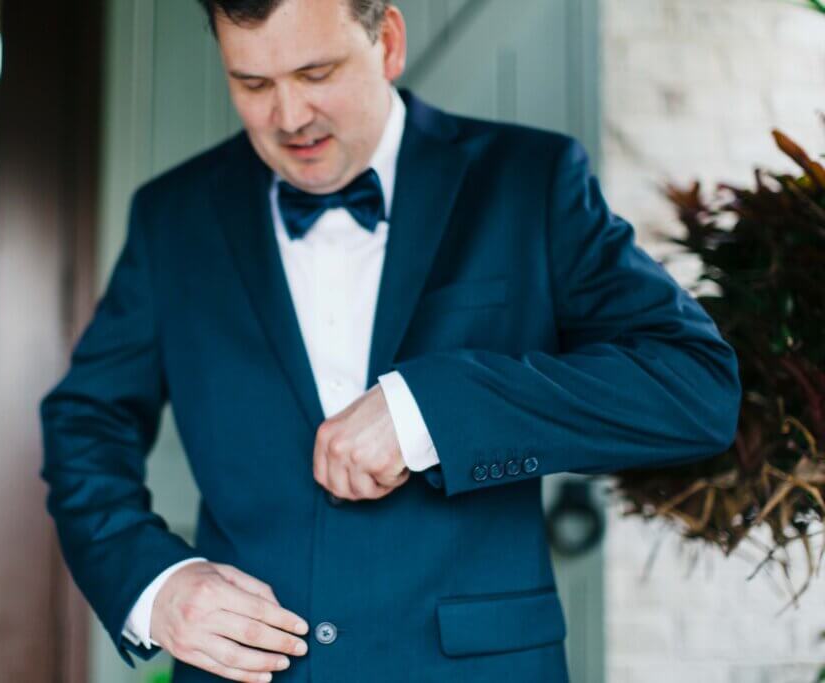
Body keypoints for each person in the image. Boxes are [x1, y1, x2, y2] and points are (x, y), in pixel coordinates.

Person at [38, 0, 742, 681]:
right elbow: (83, 423)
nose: (289, 118)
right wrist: (156, 583)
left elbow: (695, 385)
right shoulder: (173, 217)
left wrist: (430, 412)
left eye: (317, 75)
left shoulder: (530, 182)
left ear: (389, 43)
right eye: (252, 83)